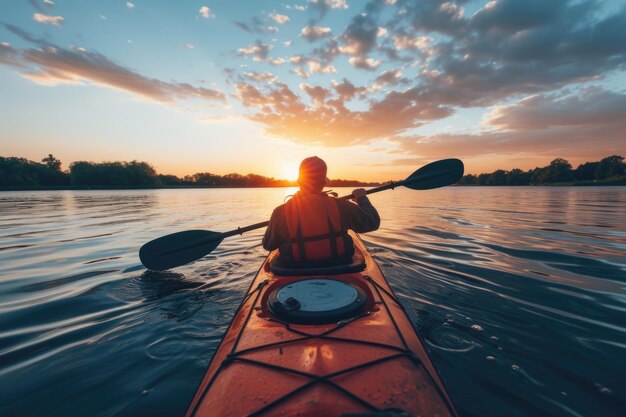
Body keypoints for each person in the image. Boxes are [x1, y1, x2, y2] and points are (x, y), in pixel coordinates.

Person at [263, 156, 380, 267]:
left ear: (299, 181)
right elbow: (372, 222)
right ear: (324, 182)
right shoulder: (341, 206)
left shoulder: (280, 212)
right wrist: (361, 198)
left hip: (293, 270)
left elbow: (268, 245)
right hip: (340, 267)